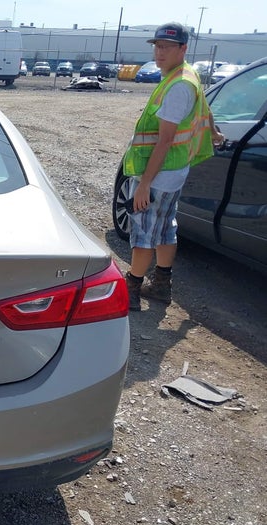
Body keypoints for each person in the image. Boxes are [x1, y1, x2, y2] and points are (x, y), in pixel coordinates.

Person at [122, 22, 225, 311]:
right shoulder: (187, 75)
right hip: (174, 170)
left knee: (143, 232)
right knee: (166, 228)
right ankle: (161, 284)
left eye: (167, 47)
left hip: (159, 174)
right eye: (157, 46)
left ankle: (132, 288)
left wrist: (144, 184)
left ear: (183, 48)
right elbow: (204, 108)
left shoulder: (178, 85)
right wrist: (214, 131)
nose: (160, 52)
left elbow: (165, 140)